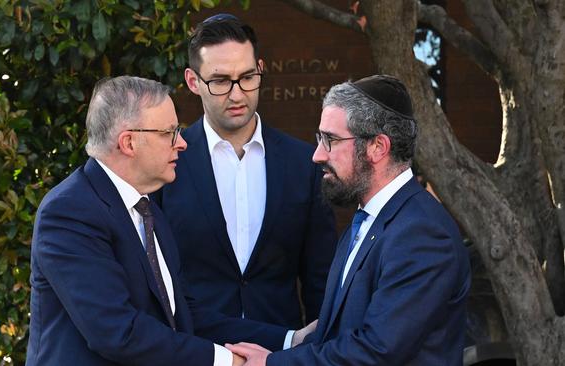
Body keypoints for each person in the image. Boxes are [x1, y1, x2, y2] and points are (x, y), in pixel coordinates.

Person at [26, 76, 303, 365]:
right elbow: (116, 332)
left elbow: (185, 316)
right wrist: (229, 362)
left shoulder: (147, 210)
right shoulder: (69, 213)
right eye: (169, 132)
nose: (181, 143)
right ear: (129, 142)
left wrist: (289, 340)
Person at [228, 75, 471, 365]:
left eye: (330, 139)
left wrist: (273, 364)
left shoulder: (422, 234)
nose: (317, 154)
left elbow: (376, 351)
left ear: (378, 147)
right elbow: (338, 334)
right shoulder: (367, 220)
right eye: (320, 139)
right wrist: (276, 355)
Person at [153, 13, 337, 333]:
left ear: (260, 70)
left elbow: (320, 281)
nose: (237, 94)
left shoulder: (304, 163)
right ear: (193, 81)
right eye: (221, 81)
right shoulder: (166, 163)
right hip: (194, 352)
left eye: (247, 77)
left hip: (280, 352)